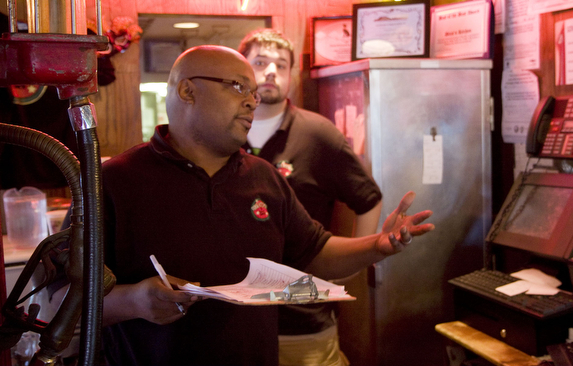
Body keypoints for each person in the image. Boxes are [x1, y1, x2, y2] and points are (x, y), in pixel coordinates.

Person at [98, 45, 434, 366]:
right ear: (188, 91)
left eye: (254, 94)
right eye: (238, 87)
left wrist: (376, 245)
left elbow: (316, 253)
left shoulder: (264, 178)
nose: (251, 103)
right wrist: (134, 301)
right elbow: (58, 301)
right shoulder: (115, 180)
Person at [238, 28, 382, 366]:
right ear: (241, 70)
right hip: (232, 319)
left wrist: (352, 267)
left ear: (291, 76)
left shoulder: (318, 135)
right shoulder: (221, 134)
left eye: (281, 65)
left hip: (303, 321)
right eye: (260, 62)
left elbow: (369, 199)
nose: (271, 71)